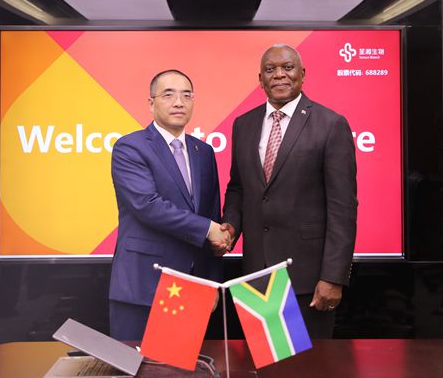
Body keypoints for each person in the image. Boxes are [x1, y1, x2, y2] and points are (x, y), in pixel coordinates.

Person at [220, 44, 357, 338]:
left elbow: (342, 208)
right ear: (260, 79)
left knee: (310, 363)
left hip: (309, 280)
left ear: (302, 74)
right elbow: (238, 187)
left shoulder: (331, 124)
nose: (279, 75)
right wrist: (230, 225)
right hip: (256, 276)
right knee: (263, 360)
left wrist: (333, 277)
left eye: (287, 67)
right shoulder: (243, 125)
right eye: (270, 69)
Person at [109, 69, 231, 340]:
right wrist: (209, 228)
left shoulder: (204, 152)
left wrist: (212, 282)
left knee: (187, 362)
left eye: (186, 95)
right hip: (143, 286)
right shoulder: (130, 147)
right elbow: (147, 205)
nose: (179, 102)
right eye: (168, 95)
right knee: (137, 362)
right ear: (151, 103)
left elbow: (211, 215)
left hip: (193, 288)